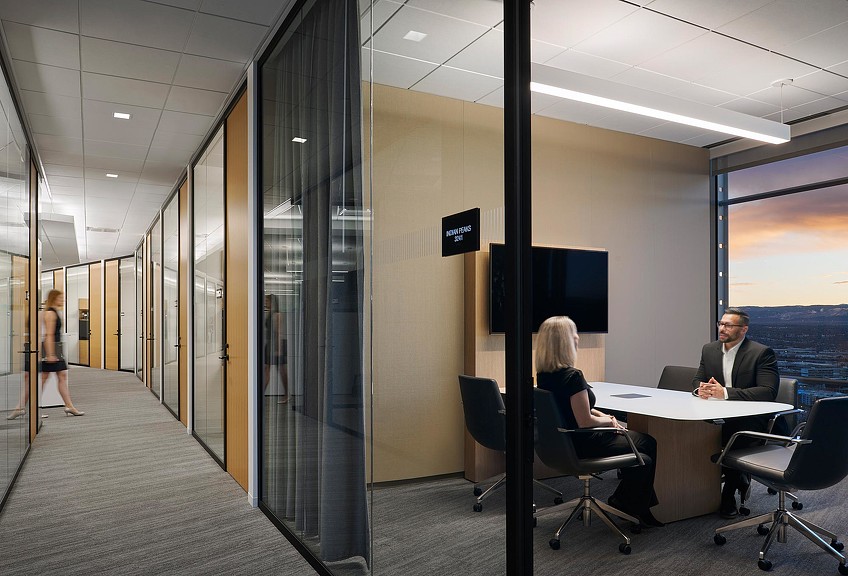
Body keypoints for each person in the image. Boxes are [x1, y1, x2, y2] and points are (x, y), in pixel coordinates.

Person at [535, 316, 664, 527]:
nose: (577, 337)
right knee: (648, 443)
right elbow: (585, 421)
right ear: (564, 341)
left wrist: (605, 417)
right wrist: (610, 423)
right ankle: (629, 504)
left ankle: (632, 504)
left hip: (563, 443)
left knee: (643, 453)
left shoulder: (545, 375)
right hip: (585, 441)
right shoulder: (573, 376)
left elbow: (573, 409)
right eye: (574, 333)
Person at [692, 307, 778, 518]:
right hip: (718, 412)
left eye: (728, 325)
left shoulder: (761, 353)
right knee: (692, 431)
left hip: (751, 418)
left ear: (743, 329)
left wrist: (725, 393)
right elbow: (697, 380)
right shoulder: (709, 349)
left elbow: (768, 391)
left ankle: (729, 492)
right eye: (721, 324)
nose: (722, 328)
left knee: (733, 434)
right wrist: (700, 389)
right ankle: (691, 491)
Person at [41, 289, 84, 417]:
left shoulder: (55, 312)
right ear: (54, 298)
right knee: (45, 378)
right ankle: (31, 408)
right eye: (60, 298)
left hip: (56, 347)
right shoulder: (50, 313)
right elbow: (49, 335)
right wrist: (50, 354)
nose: (63, 300)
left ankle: (69, 406)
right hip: (51, 348)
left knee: (61, 376)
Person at [263, 294, 288, 404]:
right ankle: (261, 394)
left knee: (281, 370)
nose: (265, 303)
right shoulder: (270, 313)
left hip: (276, 345)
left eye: (267, 301)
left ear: (273, 302)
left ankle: (286, 394)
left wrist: (278, 349)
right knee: (267, 368)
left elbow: (279, 332)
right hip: (270, 344)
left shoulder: (277, 315)